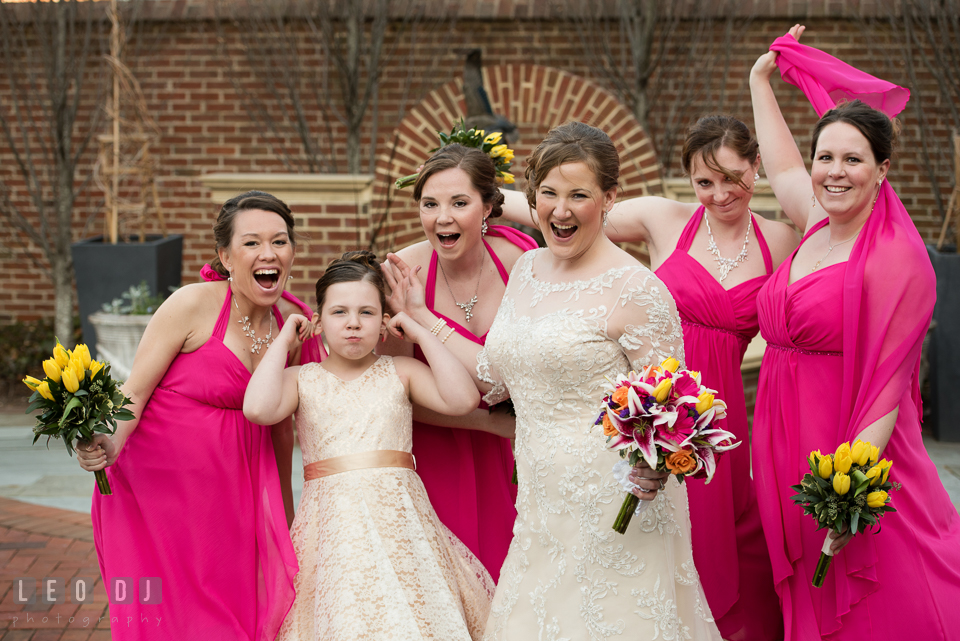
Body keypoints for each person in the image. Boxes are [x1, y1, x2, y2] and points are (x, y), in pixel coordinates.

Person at [385, 122, 721, 639]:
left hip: (616, 501)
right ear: (533, 196)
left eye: (579, 195)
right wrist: (418, 317)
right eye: (549, 194)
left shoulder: (638, 289)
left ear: (609, 198)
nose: (560, 210)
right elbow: (494, 377)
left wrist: (660, 468)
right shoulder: (529, 270)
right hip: (541, 504)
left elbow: (677, 406)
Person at [498, 116, 794, 639]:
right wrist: (469, 189)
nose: (720, 193)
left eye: (733, 178)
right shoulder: (660, 220)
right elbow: (546, 202)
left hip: (675, 423)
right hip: (558, 475)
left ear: (756, 168)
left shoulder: (781, 239)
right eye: (705, 181)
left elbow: (680, 390)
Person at [750, 25, 960, 639]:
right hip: (783, 432)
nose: (834, 172)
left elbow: (887, 388)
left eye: (853, 159)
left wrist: (851, 492)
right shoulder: (816, 222)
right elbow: (783, 160)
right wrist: (762, 79)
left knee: (881, 592)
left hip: (850, 445)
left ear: (882, 170)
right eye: (826, 158)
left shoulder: (897, 258)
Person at [76, 191, 320, 640]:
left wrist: (285, 519)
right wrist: (109, 443)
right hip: (157, 493)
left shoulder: (295, 322)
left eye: (280, 241)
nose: (268, 253)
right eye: (251, 243)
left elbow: (282, 431)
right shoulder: (191, 305)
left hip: (236, 493)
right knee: (174, 621)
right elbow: (134, 390)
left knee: (236, 619)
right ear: (225, 256)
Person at [244, 250, 494, 640]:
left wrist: (419, 331)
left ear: (384, 324)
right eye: (339, 313)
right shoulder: (300, 379)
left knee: (407, 613)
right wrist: (283, 341)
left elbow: (461, 400)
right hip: (332, 524)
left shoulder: (401, 371)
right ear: (318, 321)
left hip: (400, 521)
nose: (353, 324)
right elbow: (257, 408)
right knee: (345, 615)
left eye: (367, 313)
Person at [381, 143, 537, 581]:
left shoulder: (523, 264)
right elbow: (392, 394)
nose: (441, 217)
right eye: (429, 204)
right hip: (437, 453)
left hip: (520, 452)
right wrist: (486, 422)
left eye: (459, 203)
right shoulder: (401, 272)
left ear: (488, 207)